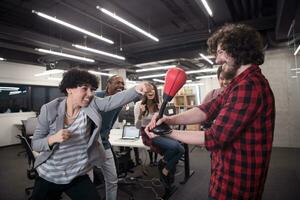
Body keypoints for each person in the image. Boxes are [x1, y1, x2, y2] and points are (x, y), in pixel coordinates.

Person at [146, 23, 275, 200]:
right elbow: (206, 110)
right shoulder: (238, 84)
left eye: (221, 52)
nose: (217, 60)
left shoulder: (249, 86)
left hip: (237, 183)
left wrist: (167, 132)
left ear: (238, 50)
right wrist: (169, 120)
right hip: (225, 173)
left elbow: (214, 137)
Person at [31, 68, 151, 200]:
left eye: (92, 89)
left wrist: (137, 89)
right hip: (50, 174)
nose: (90, 94)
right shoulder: (49, 109)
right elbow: (36, 144)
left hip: (76, 175)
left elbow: (111, 101)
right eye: (84, 88)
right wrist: (52, 139)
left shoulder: (92, 103)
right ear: (69, 89)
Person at [95, 75, 138, 200]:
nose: (121, 85)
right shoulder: (96, 96)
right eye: (118, 82)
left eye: (123, 83)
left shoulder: (119, 102)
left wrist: (106, 134)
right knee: (86, 179)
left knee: (112, 179)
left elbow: (111, 121)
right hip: (88, 143)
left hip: (104, 143)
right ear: (108, 83)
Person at [134, 82, 184, 187]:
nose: (151, 92)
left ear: (155, 92)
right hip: (148, 133)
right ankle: (166, 170)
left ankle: (165, 166)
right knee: (176, 147)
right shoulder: (139, 105)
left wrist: (162, 113)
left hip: (159, 130)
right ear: (145, 92)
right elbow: (137, 126)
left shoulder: (159, 103)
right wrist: (141, 114)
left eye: (153, 90)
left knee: (180, 149)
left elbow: (162, 121)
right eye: (148, 90)